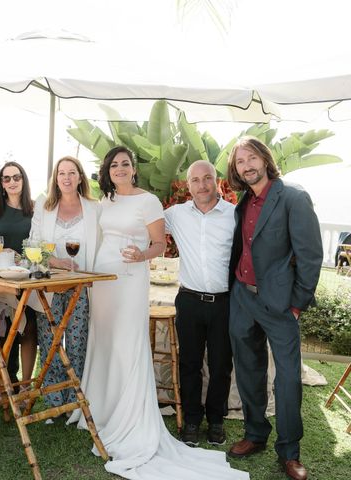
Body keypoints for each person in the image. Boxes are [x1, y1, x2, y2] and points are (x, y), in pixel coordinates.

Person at [70, 146, 247, 479]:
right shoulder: (109, 203)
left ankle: (209, 421)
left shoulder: (154, 202)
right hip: (104, 282)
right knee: (107, 344)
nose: (120, 168)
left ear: (134, 169)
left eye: (126, 163)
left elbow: (158, 245)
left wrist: (142, 256)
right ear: (107, 171)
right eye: (114, 164)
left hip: (135, 279)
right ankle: (103, 410)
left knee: (215, 360)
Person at [226, 136, 322, 480]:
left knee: (287, 380)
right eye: (240, 161)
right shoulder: (243, 202)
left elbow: (310, 256)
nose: (246, 166)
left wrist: (296, 304)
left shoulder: (293, 198)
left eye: (251, 158)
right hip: (242, 298)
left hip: (280, 305)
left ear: (265, 160)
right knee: (248, 370)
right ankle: (255, 434)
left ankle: (289, 452)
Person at [164, 160, 235, 447]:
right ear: (187, 185)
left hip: (225, 302)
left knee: (220, 365)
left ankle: (216, 420)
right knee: (189, 363)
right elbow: (144, 221)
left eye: (207, 179)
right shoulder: (176, 214)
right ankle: (192, 420)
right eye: (195, 180)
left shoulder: (234, 214)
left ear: (216, 181)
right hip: (190, 300)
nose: (202, 185)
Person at [30, 156, 100, 412]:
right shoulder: (44, 207)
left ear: (80, 177)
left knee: (78, 340)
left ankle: (75, 399)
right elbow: (33, 245)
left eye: (72, 172)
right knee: (50, 341)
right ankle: (52, 399)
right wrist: (57, 261)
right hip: (49, 285)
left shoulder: (95, 208)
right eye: (62, 173)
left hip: (82, 285)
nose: (67, 178)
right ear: (56, 179)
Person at [0, 161, 37, 391]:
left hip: (29, 278)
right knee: (6, 330)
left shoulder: (35, 208)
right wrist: (1, 252)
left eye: (16, 177)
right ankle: (6, 380)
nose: (12, 182)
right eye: (7, 178)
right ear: (1, 184)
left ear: (24, 180)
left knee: (30, 329)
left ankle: (26, 384)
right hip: (2, 279)